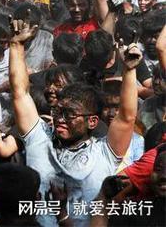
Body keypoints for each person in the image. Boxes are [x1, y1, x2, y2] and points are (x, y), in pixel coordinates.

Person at [8, 16, 140, 226]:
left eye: (70, 114)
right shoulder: (40, 138)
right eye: (59, 111)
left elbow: (126, 117)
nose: (60, 118)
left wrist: (130, 70)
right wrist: (15, 46)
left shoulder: (104, 152)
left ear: (93, 122)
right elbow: (20, 94)